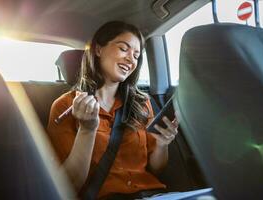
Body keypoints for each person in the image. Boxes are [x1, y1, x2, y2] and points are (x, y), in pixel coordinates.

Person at [47, 21, 178, 199]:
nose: (131, 59)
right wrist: (87, 130)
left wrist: (163, 144)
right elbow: (70, 184)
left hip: (152, 194)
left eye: (136, 55)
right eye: (124, 49)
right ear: (98, 50)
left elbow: (157, 168)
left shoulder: (142, 103)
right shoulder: (65, 106)